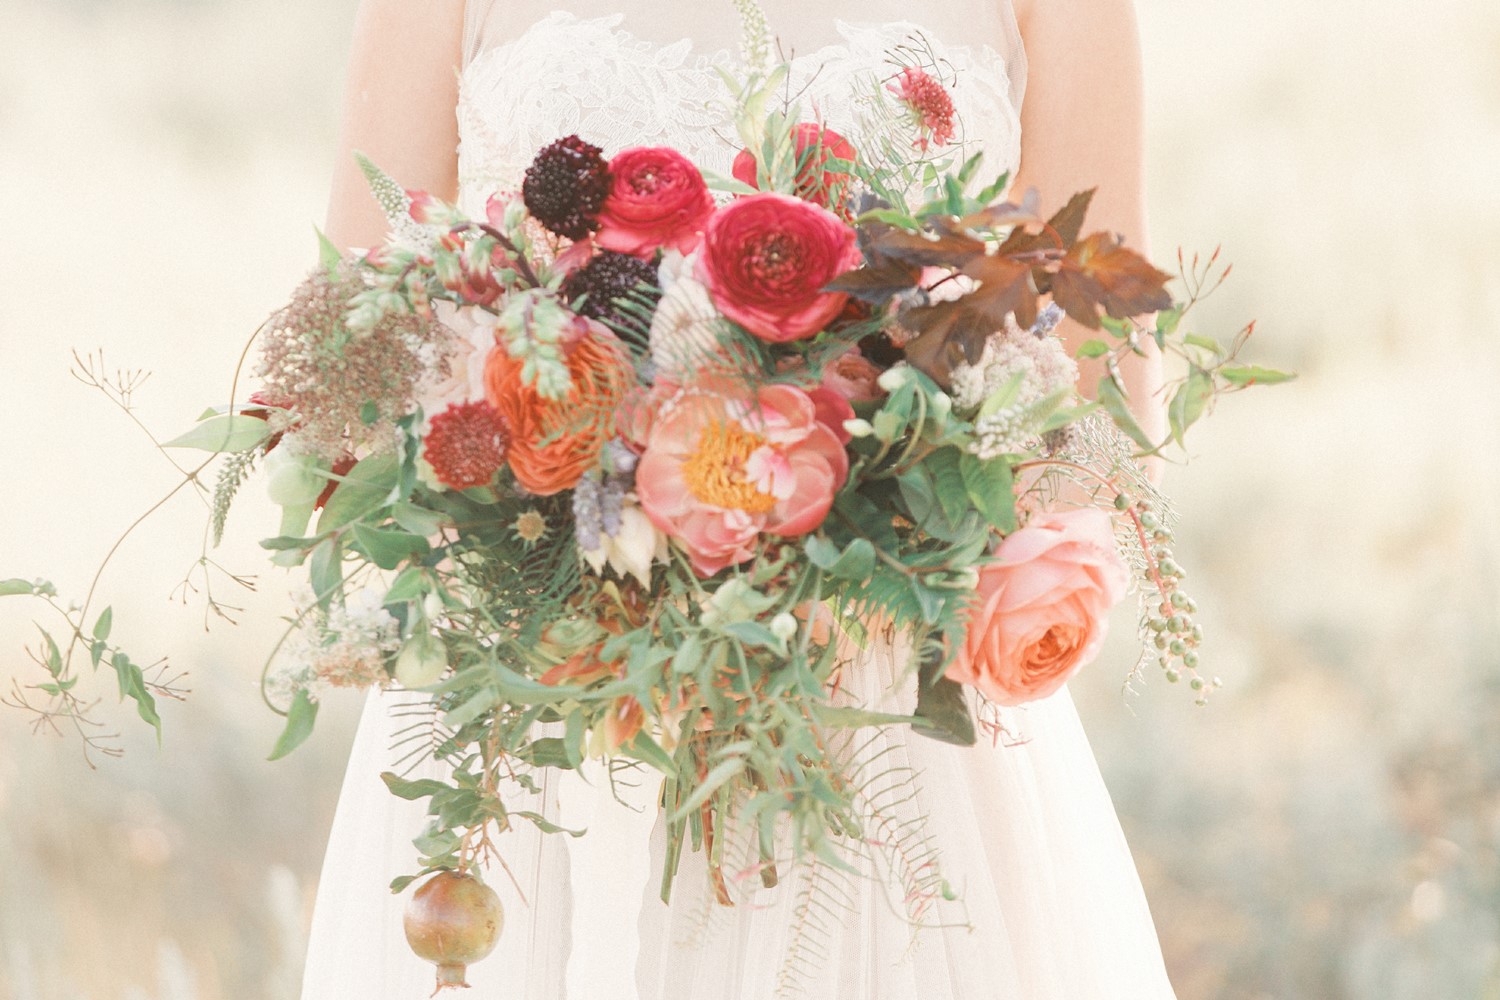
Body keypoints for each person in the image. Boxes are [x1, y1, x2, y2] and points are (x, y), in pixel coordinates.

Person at [301, 1, 1178, 997]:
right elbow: (354, 378)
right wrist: (593, 506)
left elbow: (1105, 394)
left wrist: (862, 515)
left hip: (885, 713)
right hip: (544, 716)